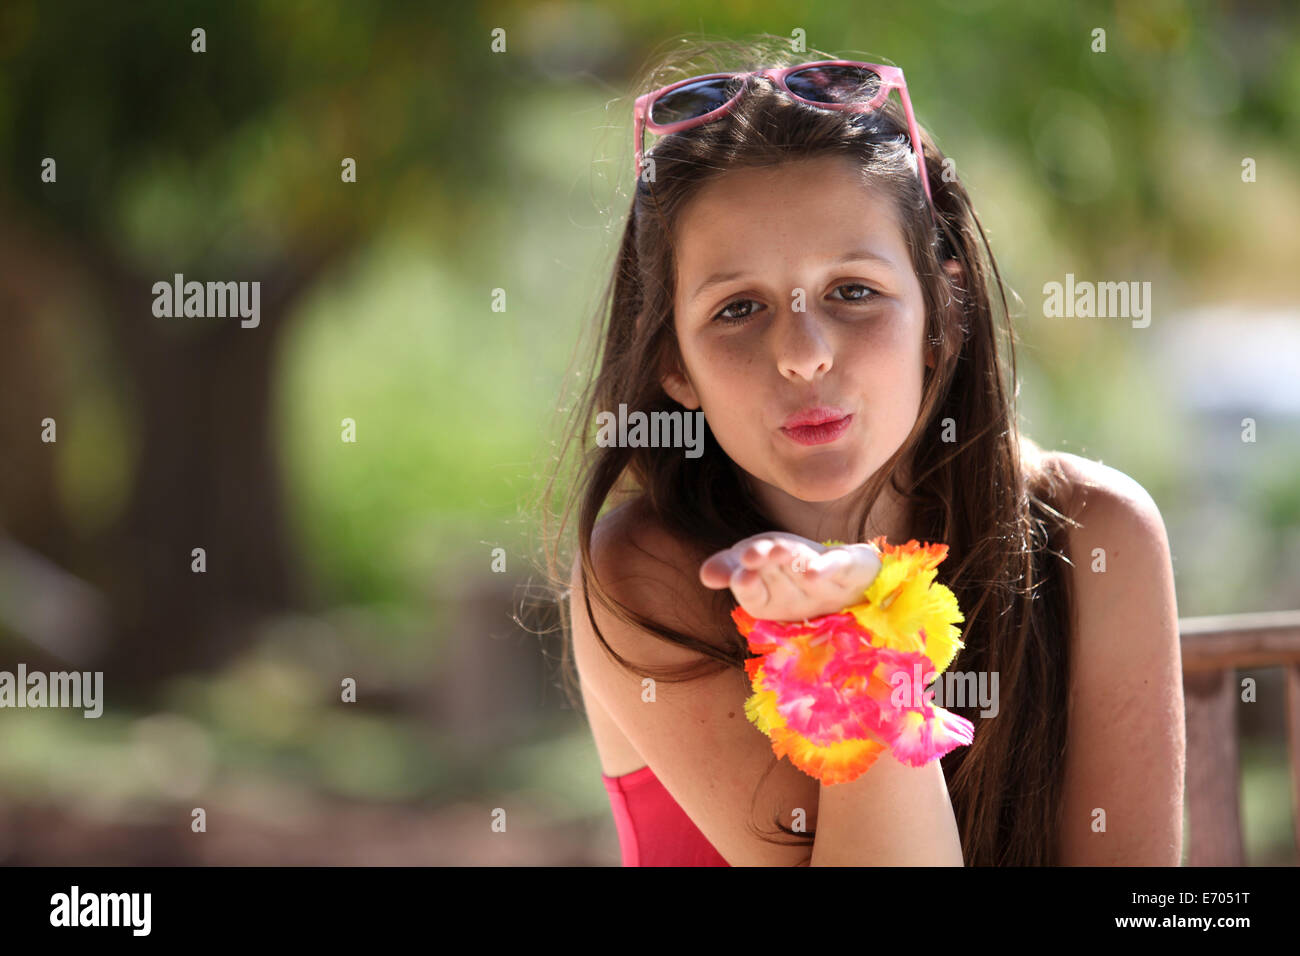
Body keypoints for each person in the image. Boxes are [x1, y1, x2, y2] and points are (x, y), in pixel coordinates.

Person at [539, 37, 1183, 866]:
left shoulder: (1099, 536)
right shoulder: (648, 575)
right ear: (674, 364)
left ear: (942, 313)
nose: (803, 353)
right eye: (738, 309)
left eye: (854, 292)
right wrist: (841, 642)